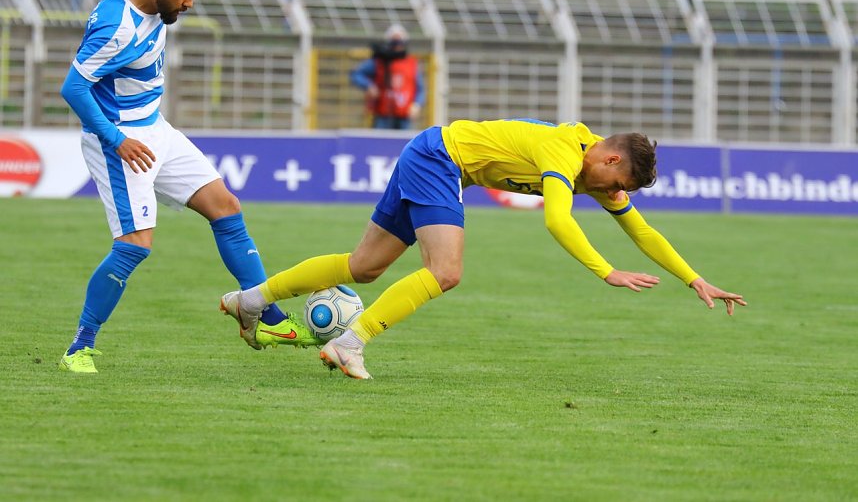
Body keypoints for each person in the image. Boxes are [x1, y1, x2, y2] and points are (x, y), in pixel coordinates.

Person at [220, 118, 747, 380]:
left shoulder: (595, 170)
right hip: (439, 160)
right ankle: (350, 342)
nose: (616, 195)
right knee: (445, 271)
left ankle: (251, 300)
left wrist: (693, 278)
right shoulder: (562, 154)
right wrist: (604, 270)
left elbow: (642, 230)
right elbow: (557, 220)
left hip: (429, 152)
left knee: (363, 268)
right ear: (609, 161)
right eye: (618, 183)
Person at [58, 0, 316, 373]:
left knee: (226, 207)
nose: (191, 3)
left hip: (154, 128)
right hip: (120, 142)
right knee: (134, 247)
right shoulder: (117, 28)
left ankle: (264, 316)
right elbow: (73, 87)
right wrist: (116, 140)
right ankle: (79, 347)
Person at [349, 24, 425, 130]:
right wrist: (369, 86)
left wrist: (417, 105)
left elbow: (420, 89)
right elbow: (356, 74)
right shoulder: (379, 62)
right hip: (382, 114)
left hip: (404, 115)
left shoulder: (412, 64)